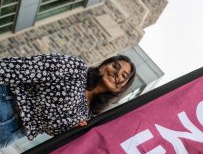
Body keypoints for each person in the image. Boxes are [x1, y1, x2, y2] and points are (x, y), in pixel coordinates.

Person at [0, 53, 136, 148]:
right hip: (7, 102)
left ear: (120, 89)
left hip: (14, 133)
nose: (117, 73)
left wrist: (70, 131)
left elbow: (52, 129)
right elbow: (23, 68)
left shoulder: (88, 115)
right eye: (115, 66)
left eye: (124, 75)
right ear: (102, 67)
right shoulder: (76, 69)